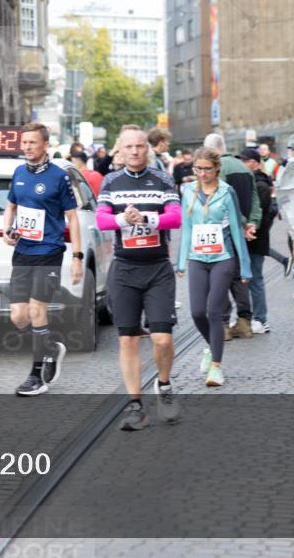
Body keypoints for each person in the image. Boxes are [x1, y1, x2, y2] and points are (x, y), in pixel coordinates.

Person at [96, 126, 181, 429]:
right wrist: (123, 219)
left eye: (140, 146)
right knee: (128, 340)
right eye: (129, 147)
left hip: (157, 268)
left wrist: (145, 218)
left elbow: (176, 216)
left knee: (161, 338)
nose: (135, 152)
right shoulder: (111, 181)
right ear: (119, 148)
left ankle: (165, 384)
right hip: (125, 269)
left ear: (148, 148)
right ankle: (135, 405)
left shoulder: (162, 179)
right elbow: (101, 219)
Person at [3, 122, 83, 397]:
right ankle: (50, 347)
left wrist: (77, 257)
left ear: (45, 145)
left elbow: (72, 218)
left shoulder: (59, 177)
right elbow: (11, 205)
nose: (26, 147)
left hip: (49, 251)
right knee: (19, 317)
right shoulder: (18, 172)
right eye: (24, 142)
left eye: (32, 143)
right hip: (23, 251)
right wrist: (6, 229)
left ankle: (36, 375)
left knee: (38, 312)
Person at [177, 147, 252, 387]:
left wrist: (246, 267)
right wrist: (180, 261)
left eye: (207, 168)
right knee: (197, 312)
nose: (202, 173)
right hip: (198, 258)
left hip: (223, 257)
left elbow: (238, 232)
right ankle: (212, 347)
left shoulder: (227, 192)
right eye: (198, 168)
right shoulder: (188, 191)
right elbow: (186, 227)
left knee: (213, 311)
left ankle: (216, 367)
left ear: (217, 168)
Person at [203, 133, 260, 338]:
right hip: (241, 232)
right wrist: (252, 223)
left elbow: (223, 203)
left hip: (221, 231)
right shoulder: (244, 167)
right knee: (238, 277)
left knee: (219, 276)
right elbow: (254, 199)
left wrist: (241, 223)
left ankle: (224, 324)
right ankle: (244, 322)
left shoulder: (217, 170)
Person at [240, 148, 279, 334]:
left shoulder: (260, 185)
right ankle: (250, 316)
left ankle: (261, 319)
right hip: (250, 239)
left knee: (255, 278)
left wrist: (250, 231)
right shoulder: (251, 181)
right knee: (248, 279)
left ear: (255, 163)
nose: (242, 163)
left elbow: (261, 217)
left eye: (245, 160)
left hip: (256, 240)